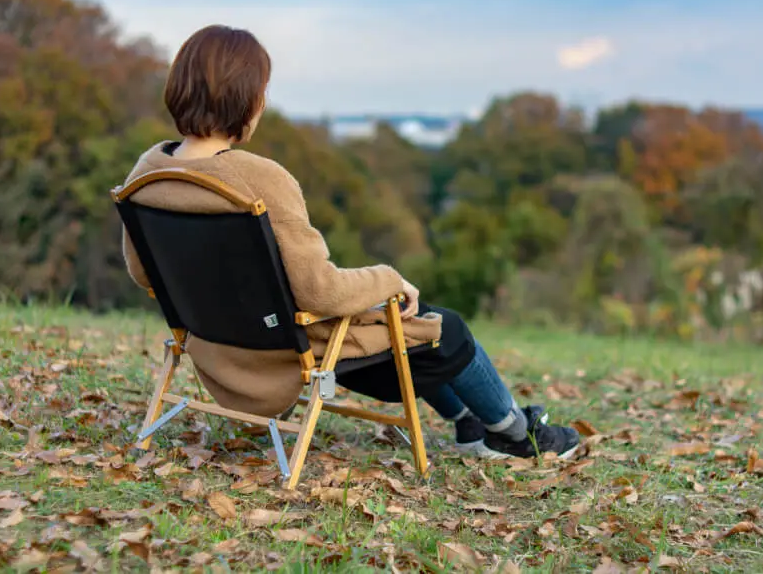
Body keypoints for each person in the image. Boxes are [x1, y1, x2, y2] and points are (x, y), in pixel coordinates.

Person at [120, 24, 579, 460]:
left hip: (216, 344)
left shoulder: (148, 172)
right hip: (288, 348)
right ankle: (518, 436)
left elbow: (144, 272)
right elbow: (321, 292)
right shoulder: (261, 179)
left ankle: (468, 425)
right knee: (448, 330)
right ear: (249, 101)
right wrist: (390, 279)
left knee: (410, 322)